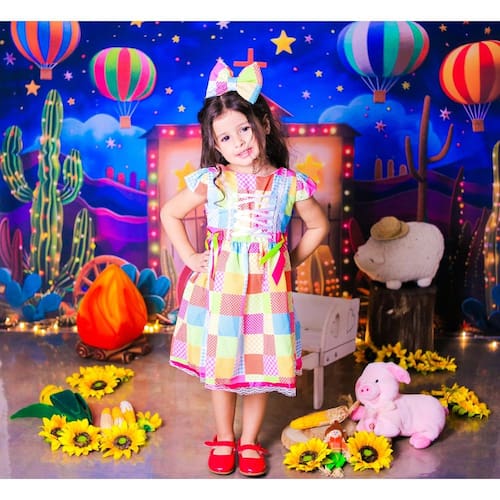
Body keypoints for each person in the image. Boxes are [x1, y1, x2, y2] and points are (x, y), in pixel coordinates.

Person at [160, 59, 330, 477]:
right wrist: (190, 257)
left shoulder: (289, 183)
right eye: (225, 137)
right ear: (215, 145)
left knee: (260, 365)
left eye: (244, 129)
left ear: (263, 126)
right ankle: (225, 436)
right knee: (224, 363)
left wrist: (291, 259)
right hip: (222, 288)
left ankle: (250, 440)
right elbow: (169, 213)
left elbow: (318, 225)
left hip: (266, 292)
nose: (238, 142)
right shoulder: (212, 180)